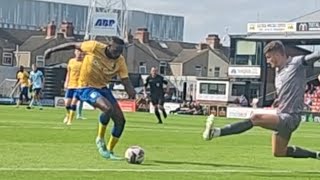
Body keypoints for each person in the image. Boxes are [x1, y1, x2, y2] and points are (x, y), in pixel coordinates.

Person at [203, 40, 320, 159]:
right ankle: (316, 155)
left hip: (290, 117)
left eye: (269, 57)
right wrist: (278, 100)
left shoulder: (296, 63)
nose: (268, 61)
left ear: (277, 55)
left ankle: (216, 132)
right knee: (279, 152)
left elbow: (316, 55)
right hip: (282, 115)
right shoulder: (278, 71)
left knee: (256, 118)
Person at [44, 37, 136, 160]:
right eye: (116, 51)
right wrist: (51, 50)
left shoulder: (120, 61)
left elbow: (125, 79)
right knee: (107, 109)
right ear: (109, 46)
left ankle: (109, 151)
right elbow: (73, 45)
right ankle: (100, 139)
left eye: (120, 51)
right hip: (85, 87)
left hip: (102, 88)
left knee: (121, 121)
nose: (117, 54)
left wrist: (131, 92)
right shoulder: (94, 47)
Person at [63, 49, 85, 125]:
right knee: (67, 103)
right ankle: (68, 114)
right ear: (75, 52)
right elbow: (68, 73)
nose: (79, 54)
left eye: (81, 52)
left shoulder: (84, 63)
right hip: (70, 85)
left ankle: (70, 121)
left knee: (73, 103)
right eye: (78, 52)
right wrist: (66, 82)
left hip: (79, 86)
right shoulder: (71, 61)